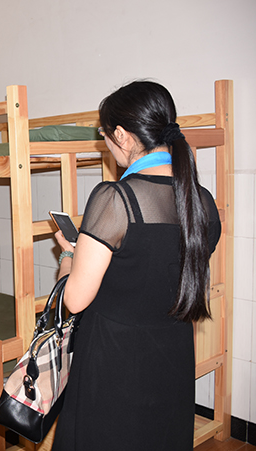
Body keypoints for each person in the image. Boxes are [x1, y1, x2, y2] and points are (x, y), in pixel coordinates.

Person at [50, 81, 221, 451]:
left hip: (114, 362)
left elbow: (75, 300)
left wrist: (68, 256)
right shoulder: (202, 202)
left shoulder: (115, 199)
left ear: (122, 135)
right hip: (173, 358)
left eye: (104, 136)